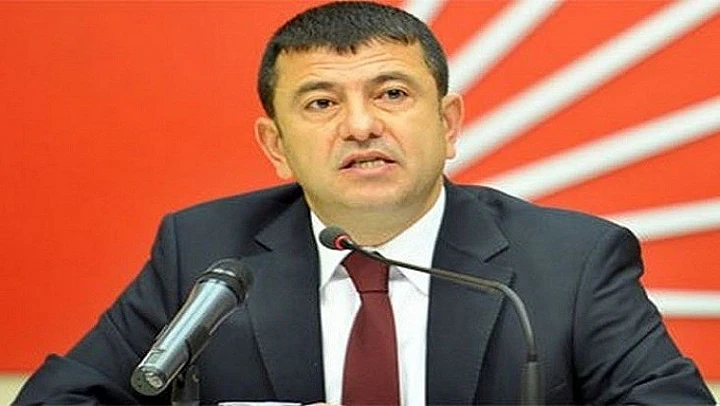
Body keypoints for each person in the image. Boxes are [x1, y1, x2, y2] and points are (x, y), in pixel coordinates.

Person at [14, 1, 714, 405]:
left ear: (448, 125)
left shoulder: (572, 262)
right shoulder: (206, 251)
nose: (359, 125)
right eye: (321, 103)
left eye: (392, 94)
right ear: (276, 146)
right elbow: (64, 399)